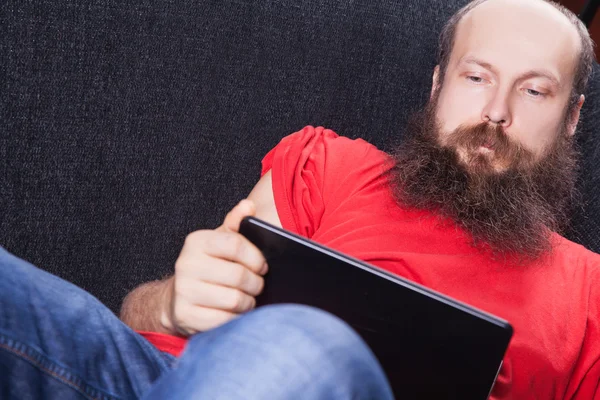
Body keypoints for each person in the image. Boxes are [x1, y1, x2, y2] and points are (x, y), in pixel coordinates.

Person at [1, 0, 598, 398]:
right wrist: (171, 306)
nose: (496, 111)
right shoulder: (328, 164)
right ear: (438, 85)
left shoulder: (588, 293)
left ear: (572, 116)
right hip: (153, 377)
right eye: (476, 77)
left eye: (535, 89)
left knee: (305, 339)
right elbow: (138, 320)